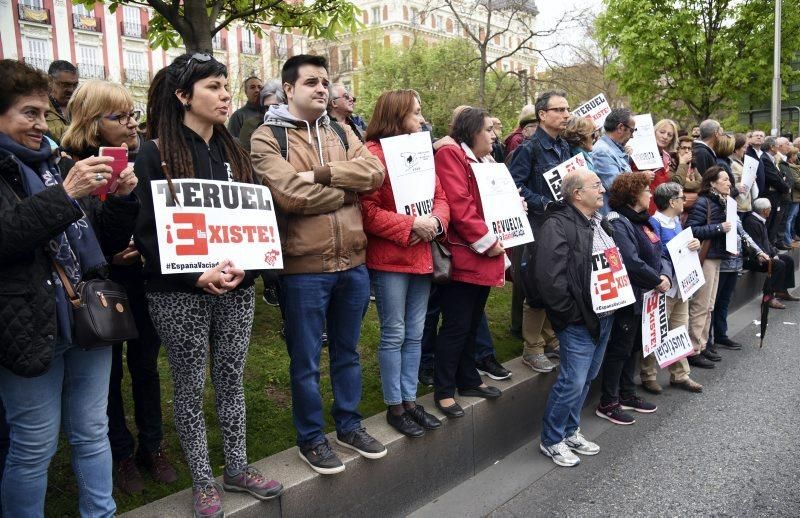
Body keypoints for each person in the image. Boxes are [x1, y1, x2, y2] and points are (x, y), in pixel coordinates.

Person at [135, 53, 283, 516]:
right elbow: (146, 234)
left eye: (226, 87)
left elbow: (256, 225)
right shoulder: (154, 154)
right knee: (189, 383)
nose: (225, 96)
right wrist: (193, 275)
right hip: (179, 294)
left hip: (235, 289)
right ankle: (203, 480)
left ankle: (237, 468)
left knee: (231, 379)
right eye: (214, 88)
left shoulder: (235, 153)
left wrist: (247, 271)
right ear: (183, 96)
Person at [0, 59, 139, 517]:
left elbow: (104, 242)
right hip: (28, 325)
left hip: (86, 317)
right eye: (29, 114)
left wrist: (120, 199)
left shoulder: (56, 163)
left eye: (44, 113)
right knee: (34, 445)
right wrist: (66, 195)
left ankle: (101, 513)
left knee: (92, 429)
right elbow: (7, 235)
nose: (43, 124)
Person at [250, 55, 386, 475]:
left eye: (326, 83)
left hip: (353, 264)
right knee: (306, 360)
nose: (322, 89)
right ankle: (311, 438)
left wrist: (322, 175)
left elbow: (376, 174)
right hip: (303, 269)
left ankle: (349, 425)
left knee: (347, 353)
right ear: (289, 89)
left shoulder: (342, 129)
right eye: (312, 82)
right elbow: (289, 194)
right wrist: (346, 192)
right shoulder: (266, 137)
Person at [59, 80, 177, 494]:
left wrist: (145, 248)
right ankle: (120, 453)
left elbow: (165, 215)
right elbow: (75, 231)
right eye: (119, 117)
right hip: (97, 288)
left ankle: (153, 446)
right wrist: (111, 249)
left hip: (141, 278)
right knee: (106, 378)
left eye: (133, 116)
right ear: (92, 123)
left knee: (145, 366)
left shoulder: (144, 157)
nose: (131, 125)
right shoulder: (67, 167)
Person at [360, 89, 450, 437]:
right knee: (394, 332)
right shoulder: (373, 155)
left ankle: (410, 401)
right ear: (397, 116)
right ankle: (394, 405)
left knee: (415, 333)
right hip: (391, 257)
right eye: (415, 113)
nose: (422, 120)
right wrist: (411, 225)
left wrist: (435, 223)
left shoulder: (419, 151)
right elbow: (367, 210)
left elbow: (439, 197)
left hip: (422, 252)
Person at [534, 168, 613, 467]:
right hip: (580, 319)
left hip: (605, 314)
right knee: (572, 381)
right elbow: (550, 278)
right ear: (577, 193)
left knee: (586, 378)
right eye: (596, 185)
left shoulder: (599, 221)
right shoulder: (558, 225)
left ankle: (569, 431)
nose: (603, 189)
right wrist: (570, 316)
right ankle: (552, 439)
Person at [432, 107, 506, 417]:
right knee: (457, 324)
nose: (494, 134)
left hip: (484, 254)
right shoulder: (451, 154)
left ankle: (469, 380)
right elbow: (459, 204)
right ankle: (444, 389)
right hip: (467, 253)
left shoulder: (486, 160)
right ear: (472, 131)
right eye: (488, 129)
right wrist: (487, 241)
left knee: (472, 322)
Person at [595, 172, 667, 425]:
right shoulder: (618, 221)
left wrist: (663, 275)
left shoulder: (643, 221)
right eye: (646, 190)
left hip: (644, 296)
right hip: (628, 296)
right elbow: (629, 261)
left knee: (634, 345)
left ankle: (627, 393)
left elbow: (659, 252)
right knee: (620, 348)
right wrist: (657, 280)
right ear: (634, 194)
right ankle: (608, 401)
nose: (651, 194)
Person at [509, 90, 571, 374]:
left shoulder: (564, 147)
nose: (566, 115)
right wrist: (544, 203)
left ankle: (549, 338)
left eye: (567, 109)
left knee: (556, 282)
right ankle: (531, 347)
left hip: (561, 228)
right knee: (536, 285)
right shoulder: (528, 149)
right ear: (542, 114)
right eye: (559, 110)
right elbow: (516, 187)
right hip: (537, 227)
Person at [641, 182, 704, 393]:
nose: (684, 201)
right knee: (656, 332)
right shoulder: (654, 222)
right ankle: (648, 374)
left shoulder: (676, 221)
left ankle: (680, 374)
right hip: (664, 286)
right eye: (681, 197)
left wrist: (693, 244)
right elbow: (655, 253)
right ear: (672, 201)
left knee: (679, 330)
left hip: (680, 285)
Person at [685, 166, 734, 368]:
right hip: (706, 258)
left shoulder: (724, 203)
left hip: (717, 255)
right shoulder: (703, 202)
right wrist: (718, 228)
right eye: (724, 179)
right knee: (701, 305)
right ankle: (694, 349)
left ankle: (703, 345)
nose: (729, 182)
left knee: (709, 304)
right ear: (712, 183)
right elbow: (691, 229)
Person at [742, 199, 798, 307]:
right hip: (753, 258)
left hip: (764, 254)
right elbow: (756, 245)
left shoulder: (760, 220)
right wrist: (772, 256)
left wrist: (774, 253)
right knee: (778, 264)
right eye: (770, 209)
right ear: (765, 211)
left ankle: (782, 291)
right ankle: (768, 297)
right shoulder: (751, 222)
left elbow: (767, 242)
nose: (771, 210)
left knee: (788, 260)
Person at [592, 107, 636, 210]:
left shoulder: (613, 150)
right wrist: (642, 178)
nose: (632, 136)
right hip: (613, 218)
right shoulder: (602, 152)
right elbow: (618, 189)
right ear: (621, 127)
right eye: (632, 131)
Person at [760, 137, 791, 249]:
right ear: (772, 147)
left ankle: (771, 245)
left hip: (776, 196)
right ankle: (768, 246)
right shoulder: (765, 159)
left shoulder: (771, 159)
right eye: (776, 146)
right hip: (770, 196)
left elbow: (780, 176)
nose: (778, 148)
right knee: (769, 222)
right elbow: (774, 178)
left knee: (774, 222)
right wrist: (786, 188)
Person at [239, 80, 284, 153]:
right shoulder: (251, 125)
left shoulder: (297, 125)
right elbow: (244, 154)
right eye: (266, 108)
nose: (270, 112)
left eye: (275, 107)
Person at [644, 118, 678, 213]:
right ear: (654, 132)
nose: (665, 137)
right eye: (662, 132)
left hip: (662, 204)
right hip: (644, 203)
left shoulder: (667, 157)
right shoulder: (641, 152)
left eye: (669, 135)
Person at [45, 60, 79, 144]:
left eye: (75, 85)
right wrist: (82, 129)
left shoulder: (81, 105)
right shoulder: (40, 105)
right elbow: (44, 134)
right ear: (50, 80)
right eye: (65, 84)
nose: (71, 90)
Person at [777, 144, 798, 249]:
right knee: (788, 218)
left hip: (790, 195)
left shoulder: (787, 163)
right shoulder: (781, 161)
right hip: (788, 195)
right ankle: (787, 239)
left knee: (788, 218)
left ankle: (787, 239)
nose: (796, 157)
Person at [670, 135, 701, 204]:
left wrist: (687, 182)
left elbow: (701, 184)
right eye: (683, 148)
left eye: (689, 148)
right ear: (677, 149)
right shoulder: (671, 164)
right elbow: (677, 185)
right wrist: (682, 163)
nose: (687, 151)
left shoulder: (692, 165)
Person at [731, 133, 753, 217]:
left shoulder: (739, 162)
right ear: (736, 149)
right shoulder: (732, 164)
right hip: (739, 205)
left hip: (744, 204)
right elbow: (733, 184)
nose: (745, 150)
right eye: (744, 147)